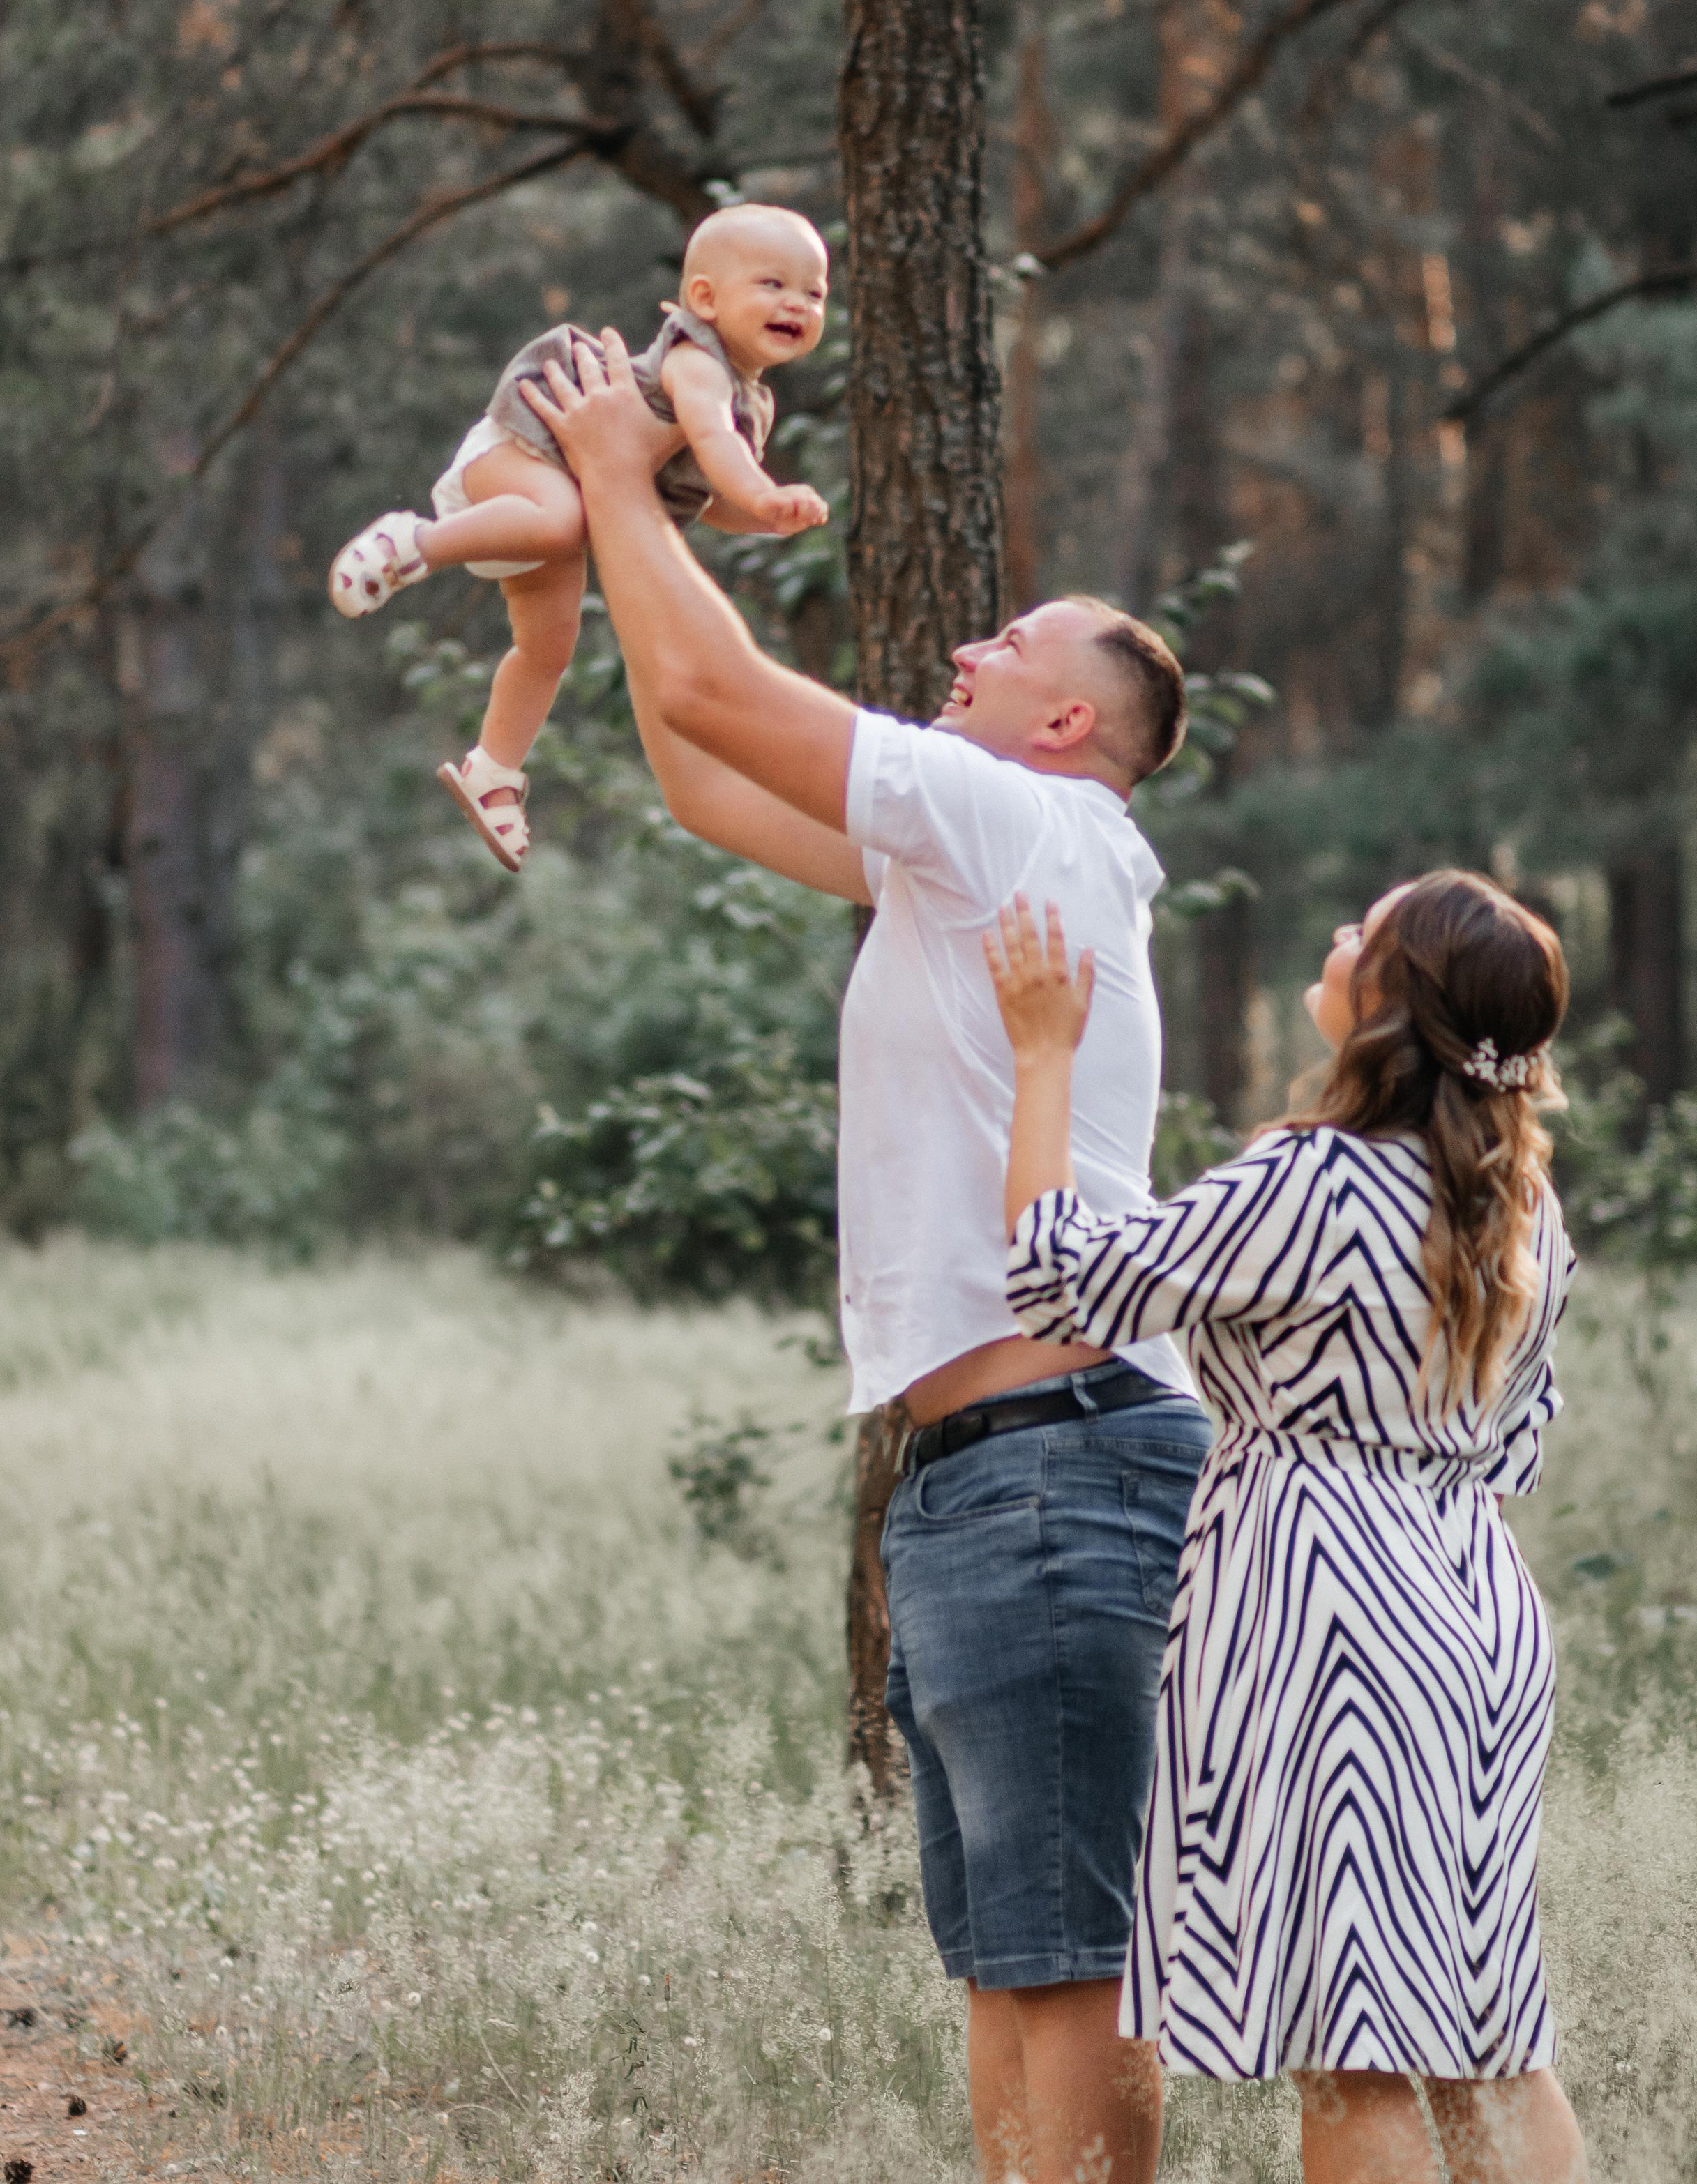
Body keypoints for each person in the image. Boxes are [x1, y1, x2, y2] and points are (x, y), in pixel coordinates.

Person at [525, 327, 1212, 2184]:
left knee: (1069, 1971)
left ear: (1069, 721)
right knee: (1010, 1971)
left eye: (1011, 649)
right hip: (993, 1477)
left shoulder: (1022, 815)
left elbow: (734, 699)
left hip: (1059, 1465)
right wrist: (599, 533)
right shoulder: (972, 857)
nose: (970, 651)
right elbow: (702, 770)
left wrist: (614, 463)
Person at [985, 872, 1590, 2184]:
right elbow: (1519, 1439)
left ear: (1391, 1000)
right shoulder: (1523, 1204)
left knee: (1353, 2045)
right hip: (1476, 1609)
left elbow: (1054, 1278)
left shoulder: (1316, 1179)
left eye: (1359, 933)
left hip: (1329, 1618)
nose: (1335, 939)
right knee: (1488, 2038)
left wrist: (1042, 1056)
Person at [326, 204, 831, 871]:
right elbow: (712, 442)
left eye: (815, 293)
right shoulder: (699, 364)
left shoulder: (752, 401)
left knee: (546, 649)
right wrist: (765, 491)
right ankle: (413, 543)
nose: (797, 303)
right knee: (562, 523)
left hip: (549, 506)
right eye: (773, 285)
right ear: (704, 298)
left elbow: (707, 496)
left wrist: (766, 518)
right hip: (525, 451)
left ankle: (493, 768)